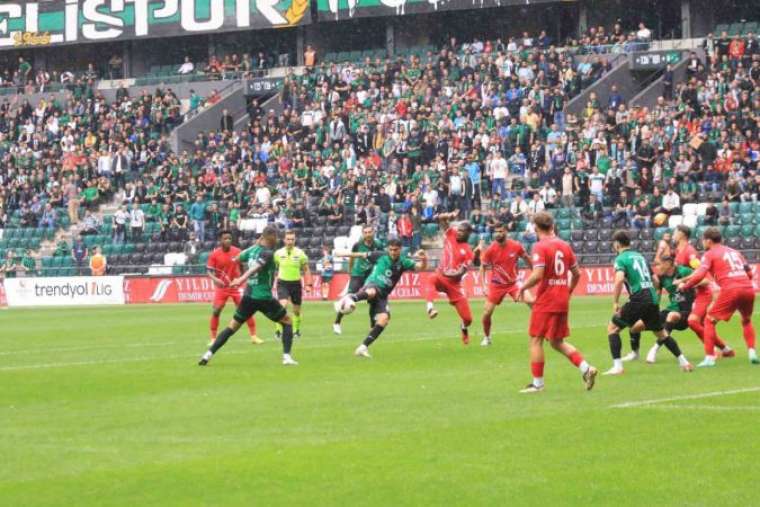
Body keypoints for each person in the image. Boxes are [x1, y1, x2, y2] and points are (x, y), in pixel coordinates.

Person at [516, 212, 597, 393]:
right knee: (556, 341)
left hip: (547, 300)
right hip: (561, 299)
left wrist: (522, 287)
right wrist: (567, 291)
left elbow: (537, 275)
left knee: (536, 340)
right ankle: (586, 368)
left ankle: (538, 385)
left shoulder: (540, 246)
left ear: (536, 228)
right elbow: (577, 274)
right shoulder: (565, 245)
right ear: (552, 226)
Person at [199, 226, 297, 367]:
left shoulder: (253, 250)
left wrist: (254, 245)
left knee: (231, 327)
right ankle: (287, 357)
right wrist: (241, 279)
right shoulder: (268, 253)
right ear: (269, 237)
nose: (277, 239)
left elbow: (237, 258)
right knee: (287, 322)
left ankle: (207, 354)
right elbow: (255, 267)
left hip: (248, 296)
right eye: (275, 236)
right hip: (263, 296)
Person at [604, 230, 693, 376]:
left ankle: (617, 367)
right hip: (651, 298)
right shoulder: (640, 256)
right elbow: (656, 280)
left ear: (617, 244)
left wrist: (615, 301)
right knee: (661, 334)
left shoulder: (621, 258)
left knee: (613, 328)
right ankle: (684, 362)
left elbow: (619, 279)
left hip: (639, 298)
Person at [645, 225, 733, 362]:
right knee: (697, 325)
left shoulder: (689, 252)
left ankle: (716, 351)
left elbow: (702, 272)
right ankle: (723, 349)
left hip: (701, 294)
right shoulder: (678, 252)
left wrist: (705, 287)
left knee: (695, 323)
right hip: (688, 296)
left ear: (681, 234)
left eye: (675, 232)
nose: (673, 234)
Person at [678, 227, 758, 366]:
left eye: (703, 240)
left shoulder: (709, 254)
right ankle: (752, 353)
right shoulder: (735, 252)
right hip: (748, 288)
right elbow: (750, 274)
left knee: (709, 321)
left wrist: (686, 286)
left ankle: (709, 358)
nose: (702, 242)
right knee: (746, 320)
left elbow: (700, 274)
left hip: (731, 289)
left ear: (708, 241)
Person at [335, 239, 427, 358]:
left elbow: (420, 267)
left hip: (383, 295)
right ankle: (349, 298)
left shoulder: (403, 261)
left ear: (400, 249)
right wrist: (342, 254)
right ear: (388, 248)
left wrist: (424, 259)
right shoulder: (380, 255)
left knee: (383, 319)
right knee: (372, 291)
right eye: (391, 249)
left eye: (396, 250)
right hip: (373, 284)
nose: (393, 252)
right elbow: (360, 254)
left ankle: (362, 348)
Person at [478, 223, 534, 347]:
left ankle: (542, 330)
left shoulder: (516, 246)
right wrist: (483, 286)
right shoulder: (491, 249)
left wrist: (535, 272)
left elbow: (527, 258)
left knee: (532, 301)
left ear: (506, 232)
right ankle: (487, 337)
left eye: (501, 231)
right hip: (496, 285)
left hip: (514, 283)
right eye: (496, 231)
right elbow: (482, 268)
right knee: (487, 312)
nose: (498, 234)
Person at [425, 212, 475, 345]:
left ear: (468, 234)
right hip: (440, 276)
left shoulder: (468, 252)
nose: (458, 232)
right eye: (458, 229)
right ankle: (430, 308)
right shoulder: (450, 233)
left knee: (468, 319)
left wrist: (449, 274)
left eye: (462, 231)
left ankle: (463, 327)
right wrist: (448, 216)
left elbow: (461, 272)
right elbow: (441, 220)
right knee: (431, 279)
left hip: (454, 285)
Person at [206, 230, 260, 345]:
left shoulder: (237, 252)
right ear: (220, 240)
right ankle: (213, 338)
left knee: (246, 310)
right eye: (225, 238)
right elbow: (209, 271)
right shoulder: (214, 255)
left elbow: (243, 266)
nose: (228, 240)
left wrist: (241, 278)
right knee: (216, 310)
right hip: (222, 287)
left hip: (236, 287)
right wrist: (216, 280)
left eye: (229, 238)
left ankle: (254, 336)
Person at [332, 225, 383, 334]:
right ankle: (337, 323)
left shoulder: (378, 244)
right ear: (362, 233)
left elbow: (382, 258)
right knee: (348, 298)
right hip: (358, 274)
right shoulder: (357, 245)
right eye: (366, 232)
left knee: (373, 300)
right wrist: (350, 271)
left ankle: (372, 326)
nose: (368, 234)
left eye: (370, 232)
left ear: (373, 232)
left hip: (371, 276)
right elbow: (352, 256)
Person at [274, 230, 312, 340]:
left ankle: (296, 331)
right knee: (282, 306)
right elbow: (273, 268)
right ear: (284, 240)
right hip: (283, 283)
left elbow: (306, 269)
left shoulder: (300, 254)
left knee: (296, 310)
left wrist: (308, 284)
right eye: (288, 239)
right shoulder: (278, 253)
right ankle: (278, 330)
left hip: (296, 283)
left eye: (292, 239)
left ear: (295, 240)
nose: (290, 241)